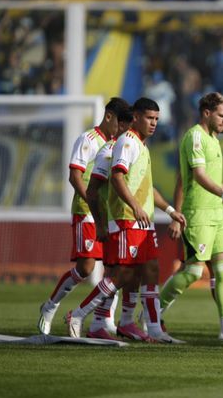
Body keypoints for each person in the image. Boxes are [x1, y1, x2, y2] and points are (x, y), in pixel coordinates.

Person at [65, 98, 187, 343]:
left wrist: (170, 210)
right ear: (136, 118)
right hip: (125, 218)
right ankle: (78, 314)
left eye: (156, 119)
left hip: (143, 220)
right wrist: (130, 208)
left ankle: (152, 329)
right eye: (149, 118)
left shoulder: (141, 146)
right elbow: (116, 179)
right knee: (122, 275)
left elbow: (146, 187)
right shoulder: (127, 143)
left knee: (150, 270)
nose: (153, 124)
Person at [159, 92, 223, 342]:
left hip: (217, 214)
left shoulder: (213, 140)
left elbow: (213, 179)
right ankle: (152, 313)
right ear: (207, 113)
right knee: (193, 272)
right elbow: (199, 176)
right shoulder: (194, 136)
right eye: (222, 116)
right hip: (198, 214)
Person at [38, 97, 131, 335]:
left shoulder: (117, 145)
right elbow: (75, 175)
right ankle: (50, 306)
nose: (122, 129)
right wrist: (91, 201)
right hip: (86, 211)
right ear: (109, 116)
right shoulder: (88, 139)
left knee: (113, 268)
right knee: (86, 268)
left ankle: (105, 318)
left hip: (108, 213)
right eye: (120, 123)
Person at [83, 105, 145, 340]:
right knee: (118, 275)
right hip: (116, 222)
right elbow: (92, 191)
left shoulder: (137, 149)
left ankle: (106, 321)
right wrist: (100, 224)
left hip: (128, 222)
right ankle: (87, 317)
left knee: (129, 275)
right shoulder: (109, 151)